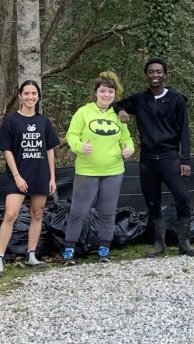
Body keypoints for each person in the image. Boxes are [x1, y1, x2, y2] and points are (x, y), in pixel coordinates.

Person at [115, 58, 194, 257]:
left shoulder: (176, 99)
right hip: (147, 160)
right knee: (152, 201)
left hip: (170, 157)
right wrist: (121, 111)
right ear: (147, 75)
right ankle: (159, 244)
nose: (155, 75)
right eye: (151, 72)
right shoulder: (140, 99)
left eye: (158, 72)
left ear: (164, 74)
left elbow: (185, 132)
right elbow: (116, 105)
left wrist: (185, 160)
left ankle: (184, 243)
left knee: (182, 197)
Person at [63, 71, 134, 265]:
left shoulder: (118, 114)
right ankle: (69, 249)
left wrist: (129, 148)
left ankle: (104, 249)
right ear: (96, 93)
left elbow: (126, 138)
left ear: (114, 94)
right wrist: (79, 147)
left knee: (108, 211)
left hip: (113, 171)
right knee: (79, 211)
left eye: (110, 92)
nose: (107, 95)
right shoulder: (83, 112)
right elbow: (72, 135)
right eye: (103, 91)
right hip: (87, 171)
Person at [0, 80, 59, 277]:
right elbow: (7, 150)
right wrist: (17, 176)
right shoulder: (11, 120)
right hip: (18, 175)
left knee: (37, 214)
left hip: (41, 174)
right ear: (20, 96)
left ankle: (31, 255)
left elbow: (50, 151)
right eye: (26, 93)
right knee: (10, 214)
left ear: (38, 96)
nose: (30, 97)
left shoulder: (44, 121)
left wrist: (52, 177)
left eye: (34, 94)